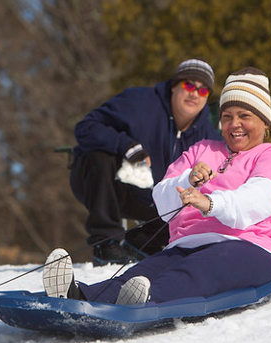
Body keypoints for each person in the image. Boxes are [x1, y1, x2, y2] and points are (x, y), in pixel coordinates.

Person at [43, 67, 271, 305]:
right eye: (227, 117)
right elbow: (161, 201)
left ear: (265, 123)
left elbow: (256, 201)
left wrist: (210, 203)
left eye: (245, 116)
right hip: (187, 244)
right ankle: (76, 296)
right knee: (139, 273)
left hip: (250, 247)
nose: (234, 125)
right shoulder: (202, 149)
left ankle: (147, 299)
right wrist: (186, 182)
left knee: (197, 270)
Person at [70, 58, 221, 265]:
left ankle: (142, 242)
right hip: (111, 186)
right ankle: (105, 243)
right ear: (174, 86)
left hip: (157, 204)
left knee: (198, 198)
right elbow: (86, 127)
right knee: (100, 154)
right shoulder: (140, 102)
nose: (195, 93)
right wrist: (125, 145)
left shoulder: (208, 137)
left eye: (203, 91)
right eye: (189, 85)